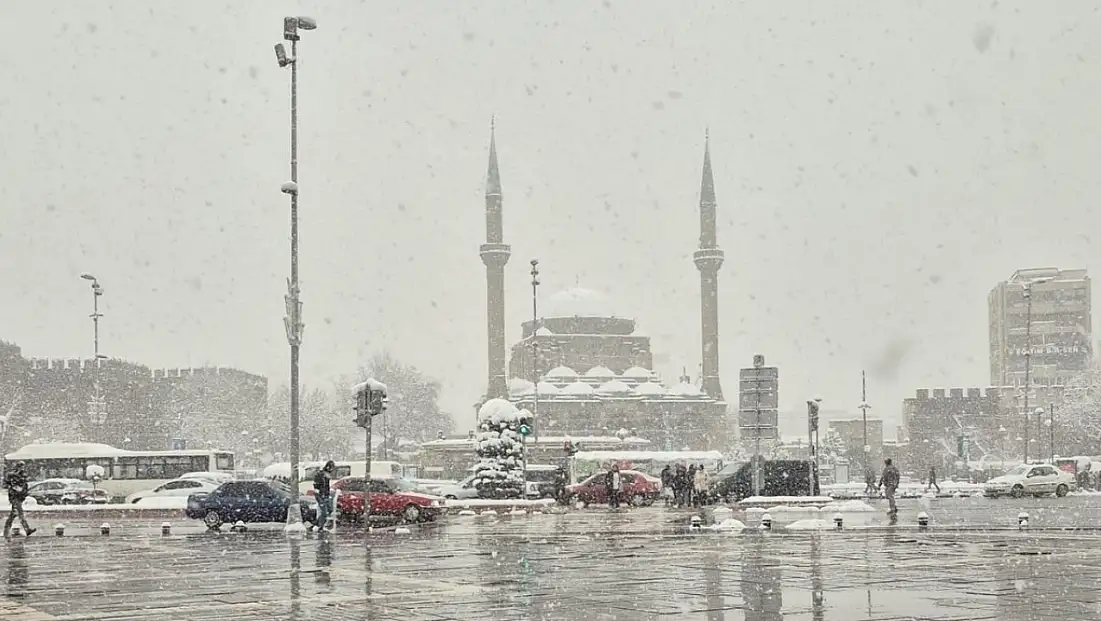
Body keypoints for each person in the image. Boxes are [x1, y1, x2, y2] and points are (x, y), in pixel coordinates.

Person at [3, 462, 36, 538]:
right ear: (18, 467)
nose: (23, 468)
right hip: (16, 498)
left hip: (17, 498)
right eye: (21, 467)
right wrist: (20, 489)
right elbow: (15, 487)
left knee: (12, 516)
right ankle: (27, 530)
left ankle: (6, 532)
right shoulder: (14, 475)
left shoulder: (18, 475)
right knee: (20, 514)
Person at [312, 460, 336, 530]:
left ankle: (318, 524)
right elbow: (316, 486)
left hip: (325, 495)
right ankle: (319, 526)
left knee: (329, 510)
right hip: (320, 495)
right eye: (331, 468)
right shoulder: (321, 475)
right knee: (324, 512)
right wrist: (319, 495)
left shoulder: (326, 476)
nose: (332, 470)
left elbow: (326, 487)